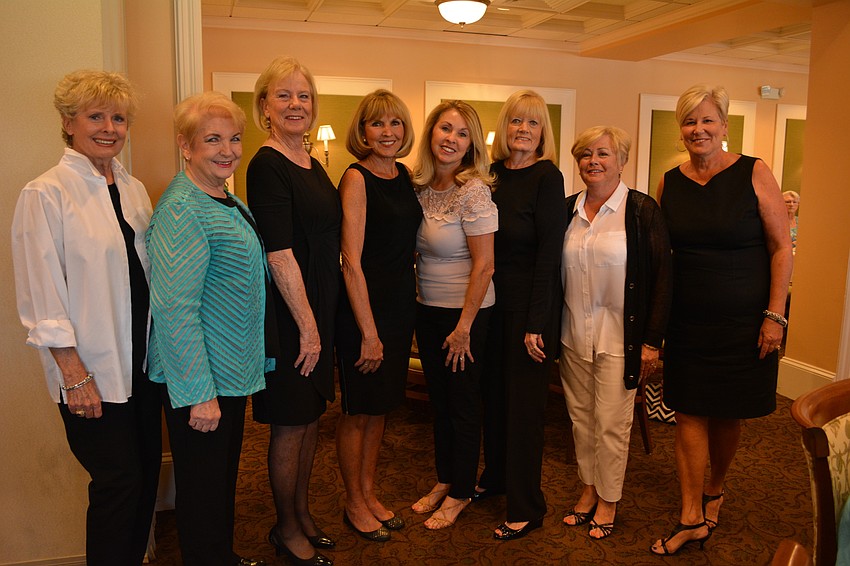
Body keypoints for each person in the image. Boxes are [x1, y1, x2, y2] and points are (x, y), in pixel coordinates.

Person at [11, 70, 161, 566]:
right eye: (96, 115)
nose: (110, 127)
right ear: (68, 122)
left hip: (141, 367)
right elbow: (41, 293)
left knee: (144, 479)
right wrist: (73, 375)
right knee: (119, 483)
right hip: (91, 372)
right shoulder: (45, 193)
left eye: (119, 118)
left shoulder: (135, 190)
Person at [650, 85, 792, 555]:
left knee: (728, 414)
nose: (699, 130)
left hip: (745, 320)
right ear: (681, 129)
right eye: (690, 122)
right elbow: (660, 255)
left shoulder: (755, 172)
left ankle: (717, 487)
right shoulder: (670, 181)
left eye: (708, 120)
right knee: (689, 410)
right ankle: (691, 514)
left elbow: (780, 247)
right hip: (688, 320)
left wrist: (775, 316)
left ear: (725, 126)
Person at [146, 92, 267, 566]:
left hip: (228, 371)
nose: (227, 149)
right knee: (202, 491)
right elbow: (175, 309)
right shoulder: (183, 209)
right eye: (212, 139)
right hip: (202, 380)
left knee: (217, 484)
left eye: (234, 138)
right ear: (186, 145)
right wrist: (199, 392)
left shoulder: (222, 197)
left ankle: (221, 555)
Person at [247, 56, 339, 566]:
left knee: (310, 420)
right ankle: (285, 527)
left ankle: (301, 513)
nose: (295, 104)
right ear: (264, 106)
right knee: (289, 423)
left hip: (316, 309)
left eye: (303, 96)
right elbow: (278, 251)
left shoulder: (311, 160)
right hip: (290, 317)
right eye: (283, 95)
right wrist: (307, 328)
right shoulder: (266, 165)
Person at [559, 126, 672, 540]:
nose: (594, 161)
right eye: (586, 154)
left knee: (611, 423)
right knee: (581, 420)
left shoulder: (642, 211)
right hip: (573, 336)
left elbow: (663, 280)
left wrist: (650, 343)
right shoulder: (567, 210)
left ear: (622, 161)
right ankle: (588, 489)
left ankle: (609, 500)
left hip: (619, 341)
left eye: (604, 154)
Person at [476, 90, 567, 541]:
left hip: (531, 311)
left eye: (532, 124)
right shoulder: (490, 176)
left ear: (542, 132)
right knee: (492, 399)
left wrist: (536, 322)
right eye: (515, 122)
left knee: (525, 410)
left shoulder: (548, 177)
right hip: (489, 307)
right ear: (504, 128)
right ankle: (495, 479)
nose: (523, 131)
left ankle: (527, 506)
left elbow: (550, 254)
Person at [335, 90, 420, 541]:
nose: (387, 133)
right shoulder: (355, 178)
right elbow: (351, 260)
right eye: (377, 124)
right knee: (358, 410)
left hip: (398, 308)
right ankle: (353, 501)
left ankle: (369, 493)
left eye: (395, 124)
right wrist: (368, 332)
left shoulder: (405, 175)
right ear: (362, 131)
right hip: (362, 312)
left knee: (382, 408)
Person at [410, 100, 497, 530]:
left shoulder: (473, 191)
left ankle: (462, 491)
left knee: (462, 405)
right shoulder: (421, 187)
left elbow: (485, 266)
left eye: (462, 134)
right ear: (431, 133)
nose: (451, 139)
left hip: (467, 317)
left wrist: (464, 327)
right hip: (428, 312)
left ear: (471, 145)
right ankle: (446, 479)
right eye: (445, 128)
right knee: (440, 404)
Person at [783, 190, 800, 255]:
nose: (791, 204)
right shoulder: (777, 221)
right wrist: (793, 244)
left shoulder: (801, 222)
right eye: (788, 202)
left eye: (794, 202)